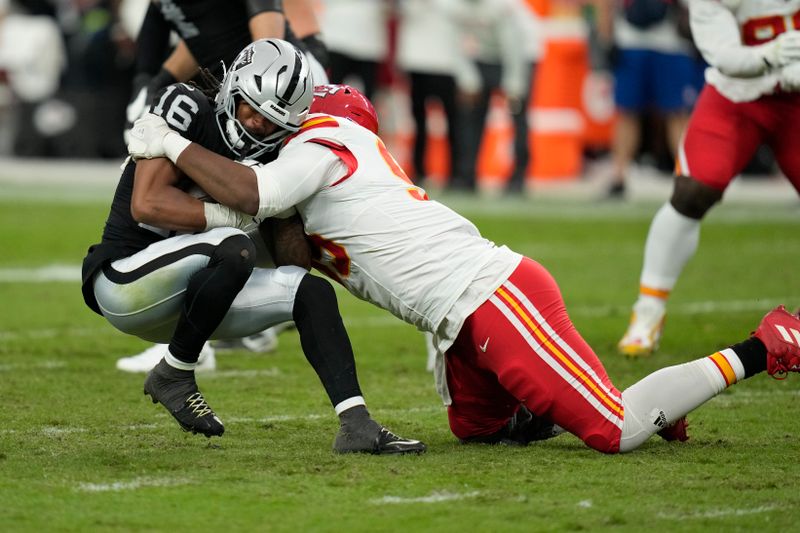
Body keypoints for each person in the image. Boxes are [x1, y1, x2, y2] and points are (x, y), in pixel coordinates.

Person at [128, 64, 800, 453]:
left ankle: (763, 344)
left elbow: (257, 189)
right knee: (475, 427)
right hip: (456, 321)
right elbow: (288, 247)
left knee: (614, 429)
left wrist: (170, 141)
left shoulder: (323, 144)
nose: (263, 126)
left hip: (492, 296)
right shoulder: (320, 158)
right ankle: (617, 393)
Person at [83, 39, 424, 455]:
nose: (259, 125)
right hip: (126, 281)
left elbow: (295, 262)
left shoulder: (277, 158)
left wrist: (284, 203)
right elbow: (148, 203)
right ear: (233, 91)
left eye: (273, 122)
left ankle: (356, 423)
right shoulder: (188, 106)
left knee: (308, 291)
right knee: (232, 244)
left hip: (196, 301)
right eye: (252, 110)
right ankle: (176, 374)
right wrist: (231, 216)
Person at [118, 0, 331, 372]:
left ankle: (195, 340)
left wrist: (244, 114)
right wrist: (151, 85)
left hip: (278, 98)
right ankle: (231, 325)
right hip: (255, 99)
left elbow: (268, 52)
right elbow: (196, 35)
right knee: (213, 199)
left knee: (319, 223)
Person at [618, 0, 800, 357]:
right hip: (738, 96)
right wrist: (776, 57)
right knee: (693, 190)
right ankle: (648, 310)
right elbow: (726, 56)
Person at [594, 0, 704, 198]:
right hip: (634, 39)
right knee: (627, 112)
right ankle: (619, 177)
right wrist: (606, 38)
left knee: (676, 114)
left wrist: (606, 38)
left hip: (669, 40)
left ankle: (689, 177)